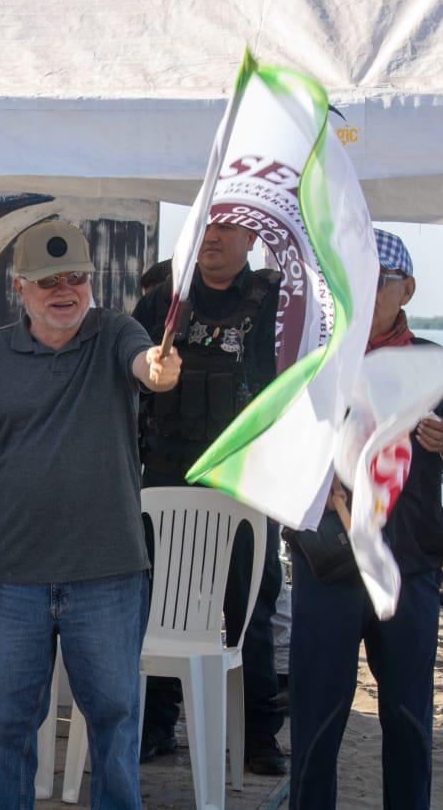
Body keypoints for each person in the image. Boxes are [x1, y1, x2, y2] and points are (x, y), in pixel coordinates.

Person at [0, 220, 180, 808]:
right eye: (48, 281)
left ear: (91, 283)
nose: (63, 290)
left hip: (108, 572)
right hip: (15, 575)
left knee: (115, 721)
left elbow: (145, 363)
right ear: (20, 288)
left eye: (75, 277)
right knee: (4, 727)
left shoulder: (116, 331)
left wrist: (157, 369)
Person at [287, 230, 443, 810]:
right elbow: (279, 455)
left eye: (380, 283)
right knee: (317, 720)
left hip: (411, 567)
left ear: (408, 290)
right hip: (328, 563)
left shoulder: (433, 365)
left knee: (409, 717)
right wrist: (316, 483)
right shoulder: (315, 358)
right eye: (353, 281)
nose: (366, 294)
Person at [132, 220, 287, 773]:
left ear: (251, 240)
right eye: (206, 228)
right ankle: (155, 724)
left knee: (248, 609)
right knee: (159, 605)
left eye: (227, 229)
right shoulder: (161, 306)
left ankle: (258, 735)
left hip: (246, 480)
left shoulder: (276, 305)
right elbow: (126, 387)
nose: (214, 239)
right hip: (168, 474)